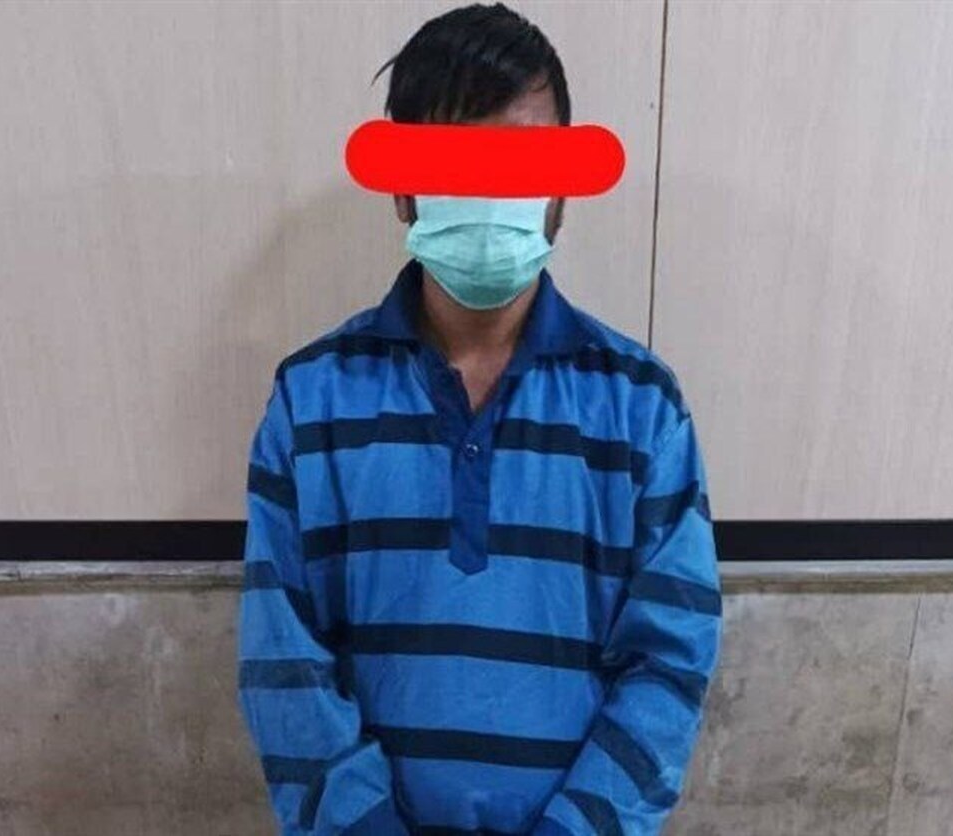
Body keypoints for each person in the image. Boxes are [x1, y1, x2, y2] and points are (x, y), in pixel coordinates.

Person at [236, 4, 722, 834]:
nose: (494, 195)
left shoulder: (642, 409)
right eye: (457, 160)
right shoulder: (312, 401)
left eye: (524, 161)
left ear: (564, 187)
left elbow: (668, 663)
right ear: (402, 188)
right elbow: (284, 660)